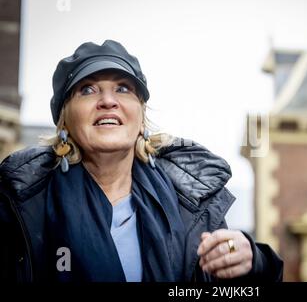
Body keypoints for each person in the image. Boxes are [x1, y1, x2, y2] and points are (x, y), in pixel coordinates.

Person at [0, 40, 283, 282]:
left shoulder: (190, 203)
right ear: (64, 120)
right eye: (87, 89)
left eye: (123, 88)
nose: (108, 101)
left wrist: (252, 263)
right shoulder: (19, 205)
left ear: (140, 118)